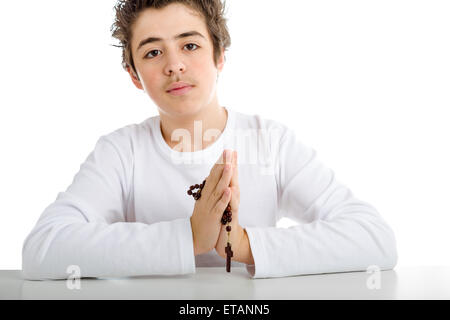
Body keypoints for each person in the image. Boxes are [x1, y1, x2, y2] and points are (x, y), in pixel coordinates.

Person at [21, 0, 398, 280]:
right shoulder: (120, 152)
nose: (174, 65)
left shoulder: (270, 141)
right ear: (135, 75)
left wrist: (245, 244)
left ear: (219, 55)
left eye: (190, 45)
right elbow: (43, 250)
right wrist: (187, 237)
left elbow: (375, 239)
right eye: (153, 52)